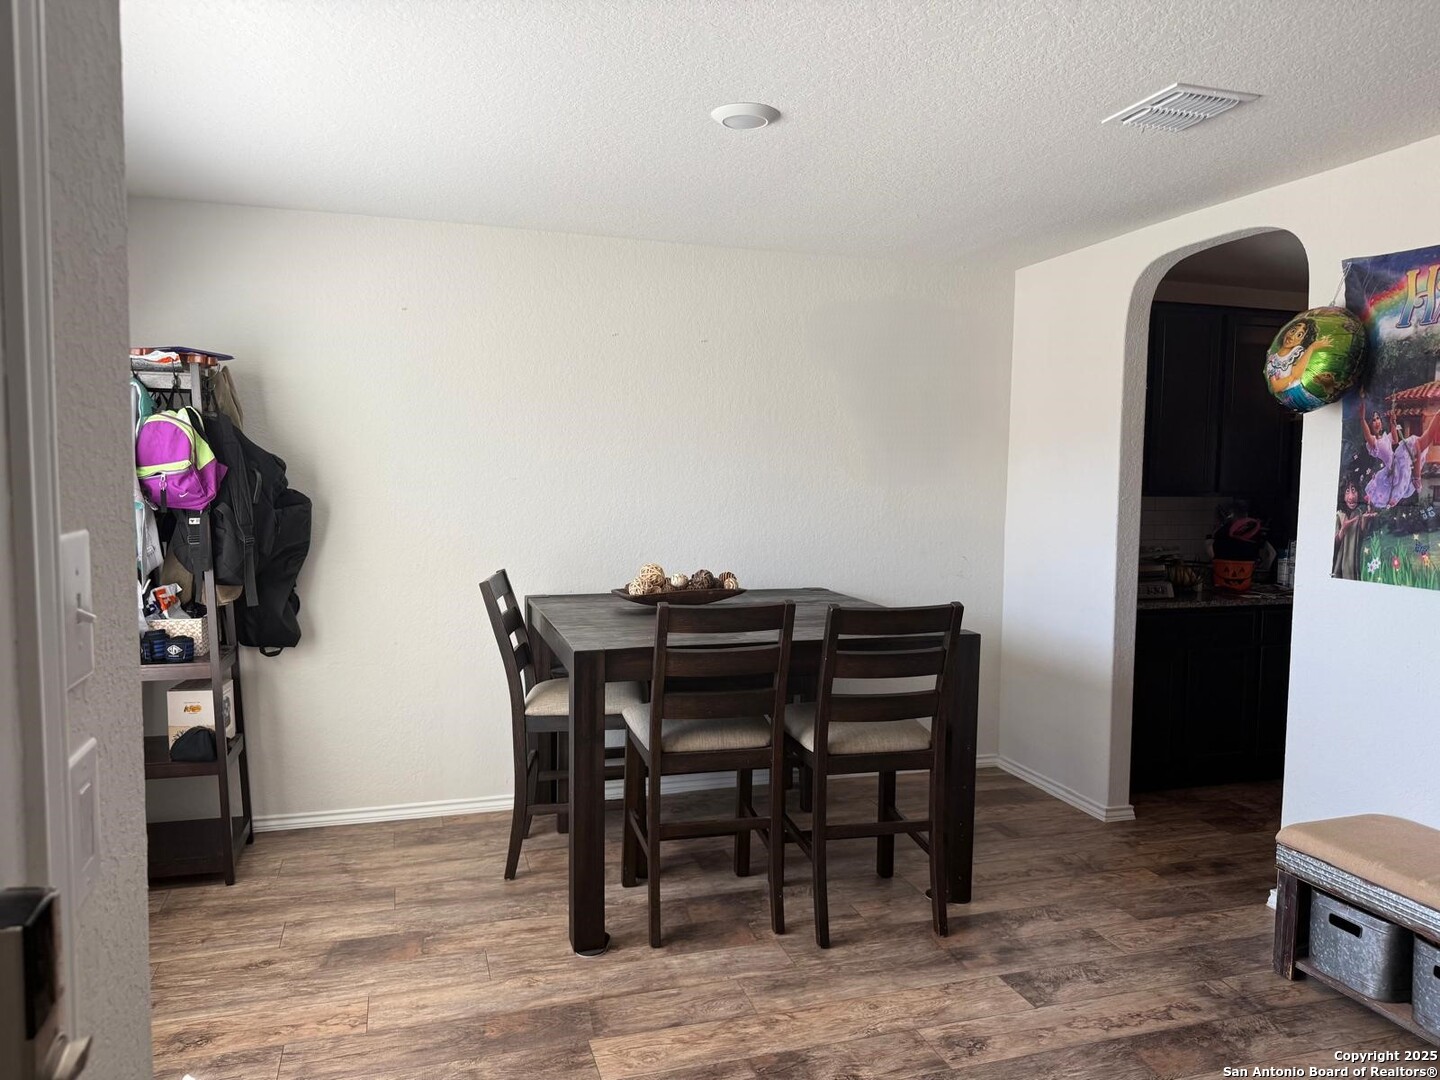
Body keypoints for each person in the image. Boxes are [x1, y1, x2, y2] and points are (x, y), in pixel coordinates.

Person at [1333, 476, 1375, 580]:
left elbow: (1360, 536)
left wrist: (1365, 520)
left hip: (1354, 566)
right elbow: (1332, 545)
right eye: (1347, 491)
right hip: (1340, 567)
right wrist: (1343, 529)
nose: (1351, 496)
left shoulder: (1359, 513)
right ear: (1342, 495)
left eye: (1354, 490)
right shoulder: (1338, 515)